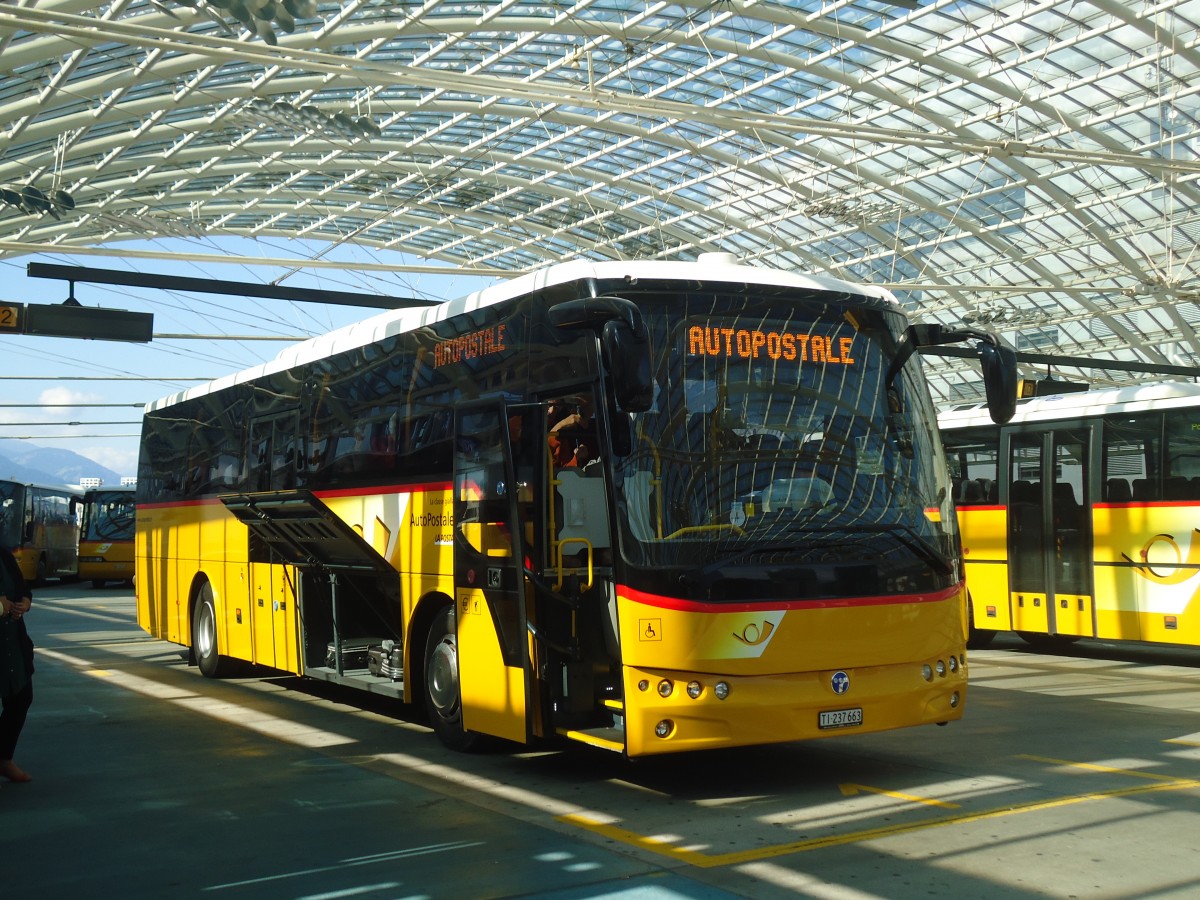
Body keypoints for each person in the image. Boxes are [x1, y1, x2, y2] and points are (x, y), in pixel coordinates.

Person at [0, 544, 34, 784]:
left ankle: (3, 758)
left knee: (21, 697)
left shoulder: (2, 553)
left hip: (11, 643)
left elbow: (22, 585)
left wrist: (24, 601)